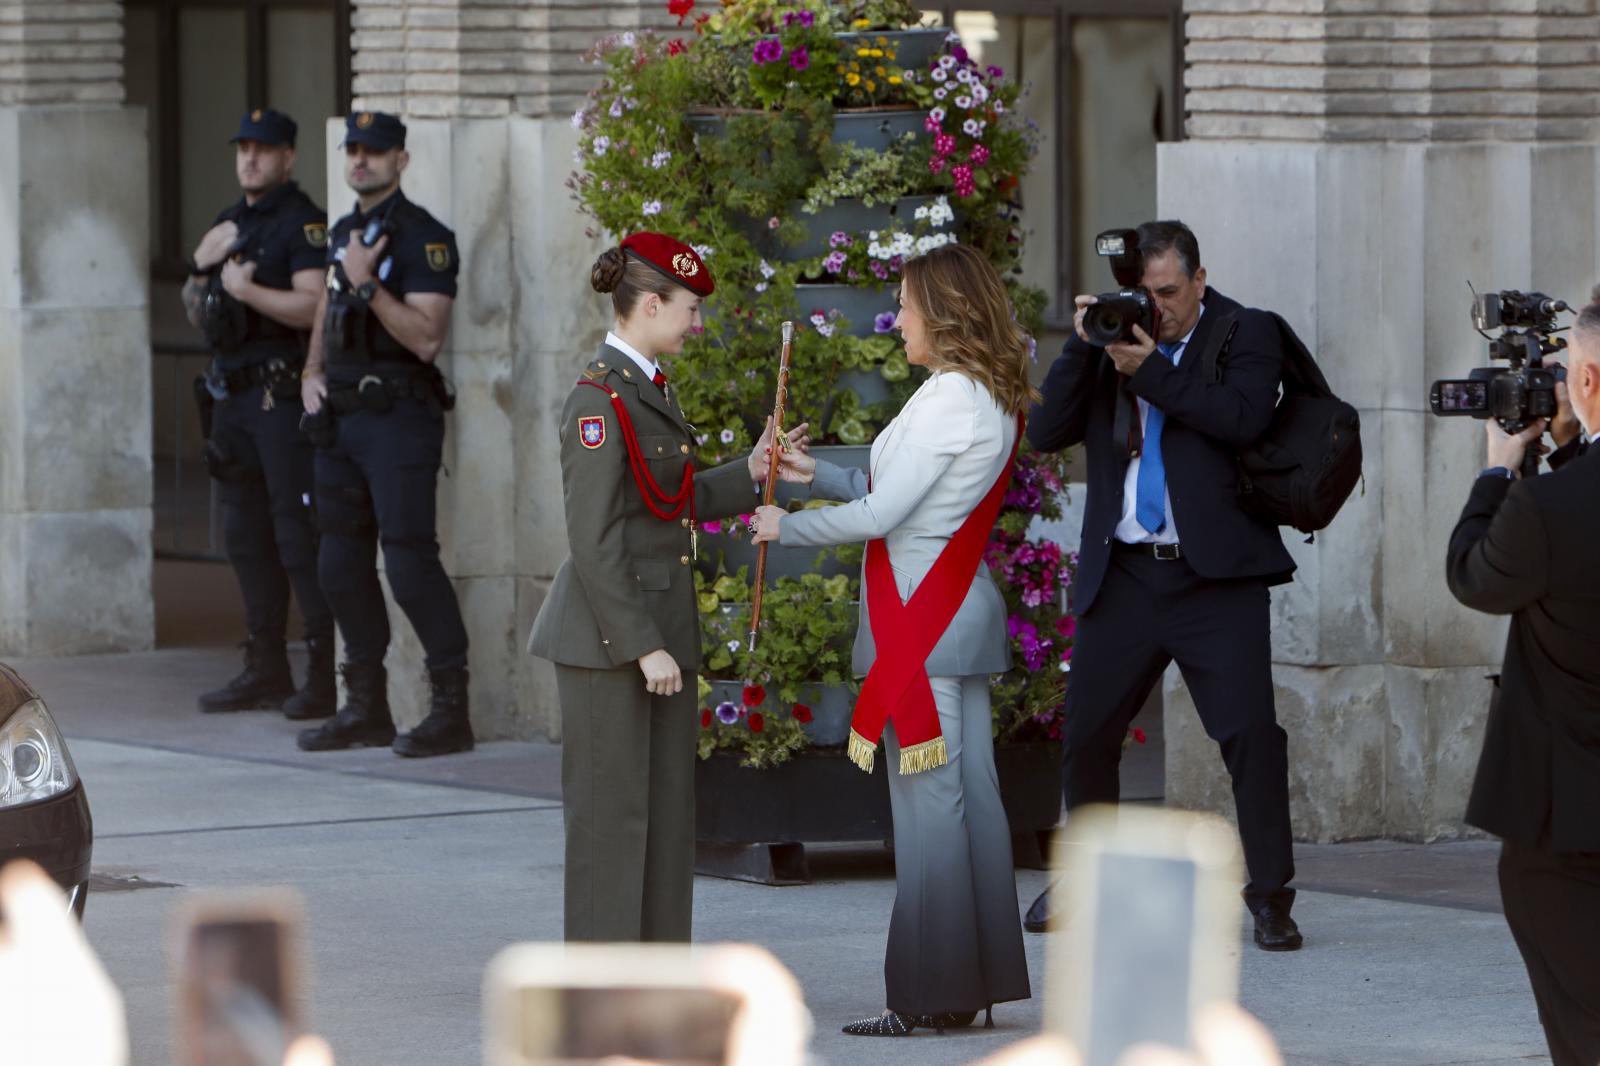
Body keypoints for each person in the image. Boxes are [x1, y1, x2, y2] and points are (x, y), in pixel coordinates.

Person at [750, 242, 1034, 1036]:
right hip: (949, 620)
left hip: (923, 626)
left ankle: (928, 996)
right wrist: (819, 475)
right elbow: (890, 485)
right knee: (969, 803)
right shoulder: (971, 393)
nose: (898, 317)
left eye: (908, 304)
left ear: (945, 314)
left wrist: (784, 524)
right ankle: (967, 982)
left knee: (930, 813)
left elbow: (885, 517)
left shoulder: (951, 398)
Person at [1024, 221, 1303, 950]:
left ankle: (1272, 896)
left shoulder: (1246, 331)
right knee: (1087, 735)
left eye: (1169, 293)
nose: (1157, 309)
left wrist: (1149, 370)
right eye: (1142, 295)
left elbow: (1240, 418)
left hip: (1215, 579)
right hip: (1124, 573)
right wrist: (1087, 343)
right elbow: (1046, 433)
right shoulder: (1111, 340)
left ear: (1199, 280)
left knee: (1249, 737)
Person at [526, 232, 810, 943]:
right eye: (688, 307)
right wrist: (641, 645)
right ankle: (601, 1010)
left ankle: (654, 990)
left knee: (662, 818)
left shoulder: (645, 387)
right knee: (611, 825)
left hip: (653, 637)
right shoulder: (597, 401)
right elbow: (593, 542)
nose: (695, 321)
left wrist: (750, 470)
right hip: (611, 643)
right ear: (650, 304)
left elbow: (668, 500)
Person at [1445, 301, 1600, 1066]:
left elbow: (1473, 573)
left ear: (1589, 379)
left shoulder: (1546, 508)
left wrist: (1497, 470)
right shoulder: (1563, 499)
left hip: (1569, 823)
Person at [297, 112, 471, 758]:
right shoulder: (344, 232)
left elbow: (427, 339)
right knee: (337, 564)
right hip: (339, 419)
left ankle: (451, 707)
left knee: (407, 560)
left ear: (401, 158)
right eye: (354, 150)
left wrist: (368, 281)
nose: (361, 161)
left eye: (374, 151)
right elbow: (324, 306)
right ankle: (364, 706)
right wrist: (311, 369)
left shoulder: (427, 238)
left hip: (399, 419)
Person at [183, 109, 336, 721]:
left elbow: (313, 304)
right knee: (244, 538)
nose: (250, 158)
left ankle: (323, 674)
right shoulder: (229, 221)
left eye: (263, 149)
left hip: (279, 397)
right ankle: (265, 665)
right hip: (232, 399)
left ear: (288, 157)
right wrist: (200, 263)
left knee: (296, 537)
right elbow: (199, 309)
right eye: (243, 147)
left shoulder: (301, 223)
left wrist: (249, 291)